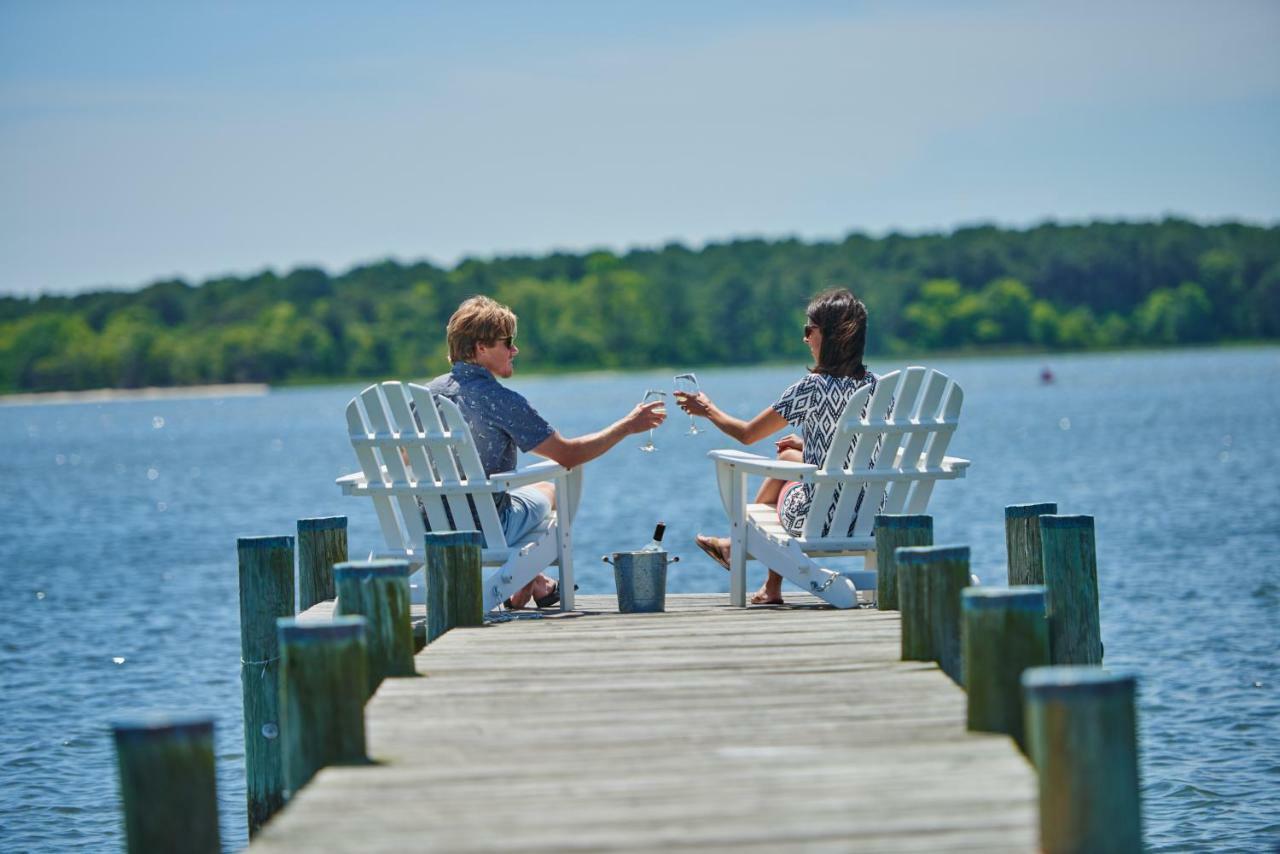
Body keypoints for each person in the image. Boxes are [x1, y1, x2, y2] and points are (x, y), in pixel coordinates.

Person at [425, 295, 666, 609]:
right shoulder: (500, 400)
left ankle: (535, 581)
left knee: (529, 493)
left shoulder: (425, 395)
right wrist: (627, 425)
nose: (515, 350)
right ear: (481, 347)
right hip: (485, 530)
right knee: (549, 490)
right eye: (507, 342)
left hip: (428, 527)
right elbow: (566, 455)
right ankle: (533, 578)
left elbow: (406, 460)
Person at [676, 288, 878, 605]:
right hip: (869, 513)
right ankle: (751, 566)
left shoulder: (811, 388)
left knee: (786, 471)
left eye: (809, 330)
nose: (805, 339)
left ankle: (746, 557)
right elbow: (861, 447)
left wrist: (707, 409)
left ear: (830, 336)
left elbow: (747, 434)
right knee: (789, 454)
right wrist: (807, 444)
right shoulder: (878, 387)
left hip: (820, 518)